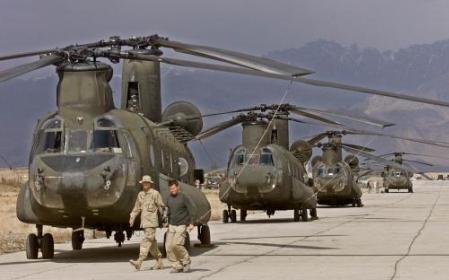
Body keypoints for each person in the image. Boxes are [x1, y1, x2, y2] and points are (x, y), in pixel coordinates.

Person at [129, 175, 165, 271]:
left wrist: (164, 220)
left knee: (146, 240)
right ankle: (159, 261)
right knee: (152, 242)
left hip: (152, 222)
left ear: (150, 184)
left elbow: (161, 207)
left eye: (147, 183)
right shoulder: (140, 194)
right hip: (144, 222)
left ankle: (139, 261)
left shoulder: (155, 194)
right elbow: (137, 207)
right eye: (143, 183)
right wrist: (132, 217)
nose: (145, 184)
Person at [165, 179, 196, 273]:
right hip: (172, 225)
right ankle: (177, 266)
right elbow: (169, 212)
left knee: (176, 244)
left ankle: (186, 262)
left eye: (174, 188)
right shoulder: (169, 198)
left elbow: (192, 209)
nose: (172, 190)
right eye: (171, 189)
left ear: (178, 187)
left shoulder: (184, 197)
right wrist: (167, 223)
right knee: (168, 246)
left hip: (181, 225)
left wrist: (191, 223)